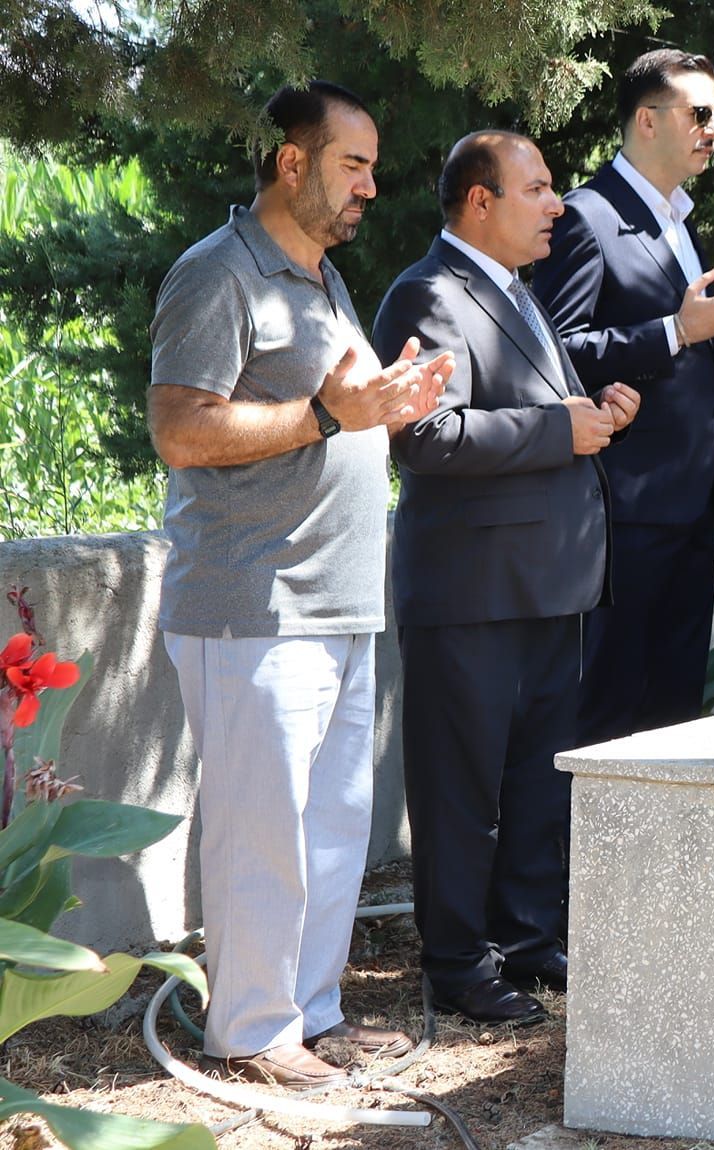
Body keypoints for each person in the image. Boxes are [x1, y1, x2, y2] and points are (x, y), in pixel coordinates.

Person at [149, 81, 452, 1086]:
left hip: (337, 601)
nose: (370, 185)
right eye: (351, 164)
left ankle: (309, 1015)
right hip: (253, 607)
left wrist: (381, 405)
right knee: (261, 834)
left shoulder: (318, 276)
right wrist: (328, 418)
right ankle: (248, 1032)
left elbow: (335, 407)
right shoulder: (219, 273)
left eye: (372, 166)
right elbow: (183, 429)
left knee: (328, 831)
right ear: (292, 162)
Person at [372, 131, 639, 1026]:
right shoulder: (427, 292)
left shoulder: (516, 292)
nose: (558, 204)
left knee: (533, 784)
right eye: (539, 189)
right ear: (479, 202)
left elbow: (532, 414)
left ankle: (526, 942)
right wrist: (561, 430)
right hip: (470, 595)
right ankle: (457, 964)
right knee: (460, 792)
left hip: (547, 586)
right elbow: (424, 437)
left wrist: (596, 416)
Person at [531, 49, 714, 743]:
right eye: (699, 114)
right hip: (621, 514)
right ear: (647, 120)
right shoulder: (586, 218)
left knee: (670, 715)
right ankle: (573, 854)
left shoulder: (676, 218)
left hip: (688, 509)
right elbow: (553, 355)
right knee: (607, 712)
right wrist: (677, 330)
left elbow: (673, 361)